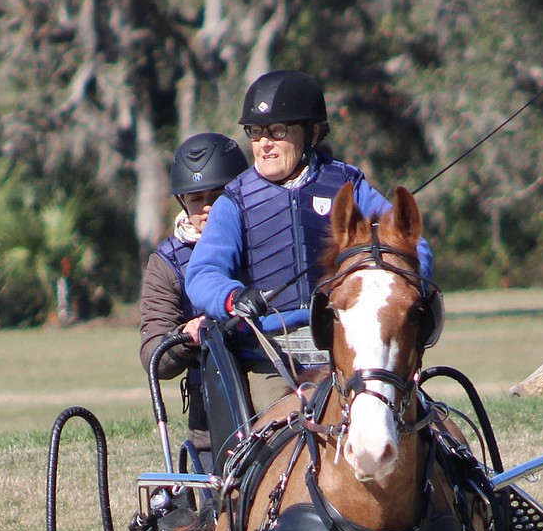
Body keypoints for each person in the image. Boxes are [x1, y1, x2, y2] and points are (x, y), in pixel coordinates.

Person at [184, 70, 433, 414]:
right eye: (255, 133)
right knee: (288, 423)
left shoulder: (348, 185)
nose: (264, 144)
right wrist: (234, 297)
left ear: (312, 132)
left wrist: (393, 282)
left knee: (410, 414)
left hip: (345, 344)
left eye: (277, 131)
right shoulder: (235, 200)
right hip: (270, 356)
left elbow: (413, 247)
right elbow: (202, 273)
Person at [139, 132, 248, 462]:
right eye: (197, 197)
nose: (208, 207)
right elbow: (152, 352)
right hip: (210, 423)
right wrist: (186, 337)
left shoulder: (264, 241)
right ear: (182, 202)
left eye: (219, 194)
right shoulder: (167, 263)